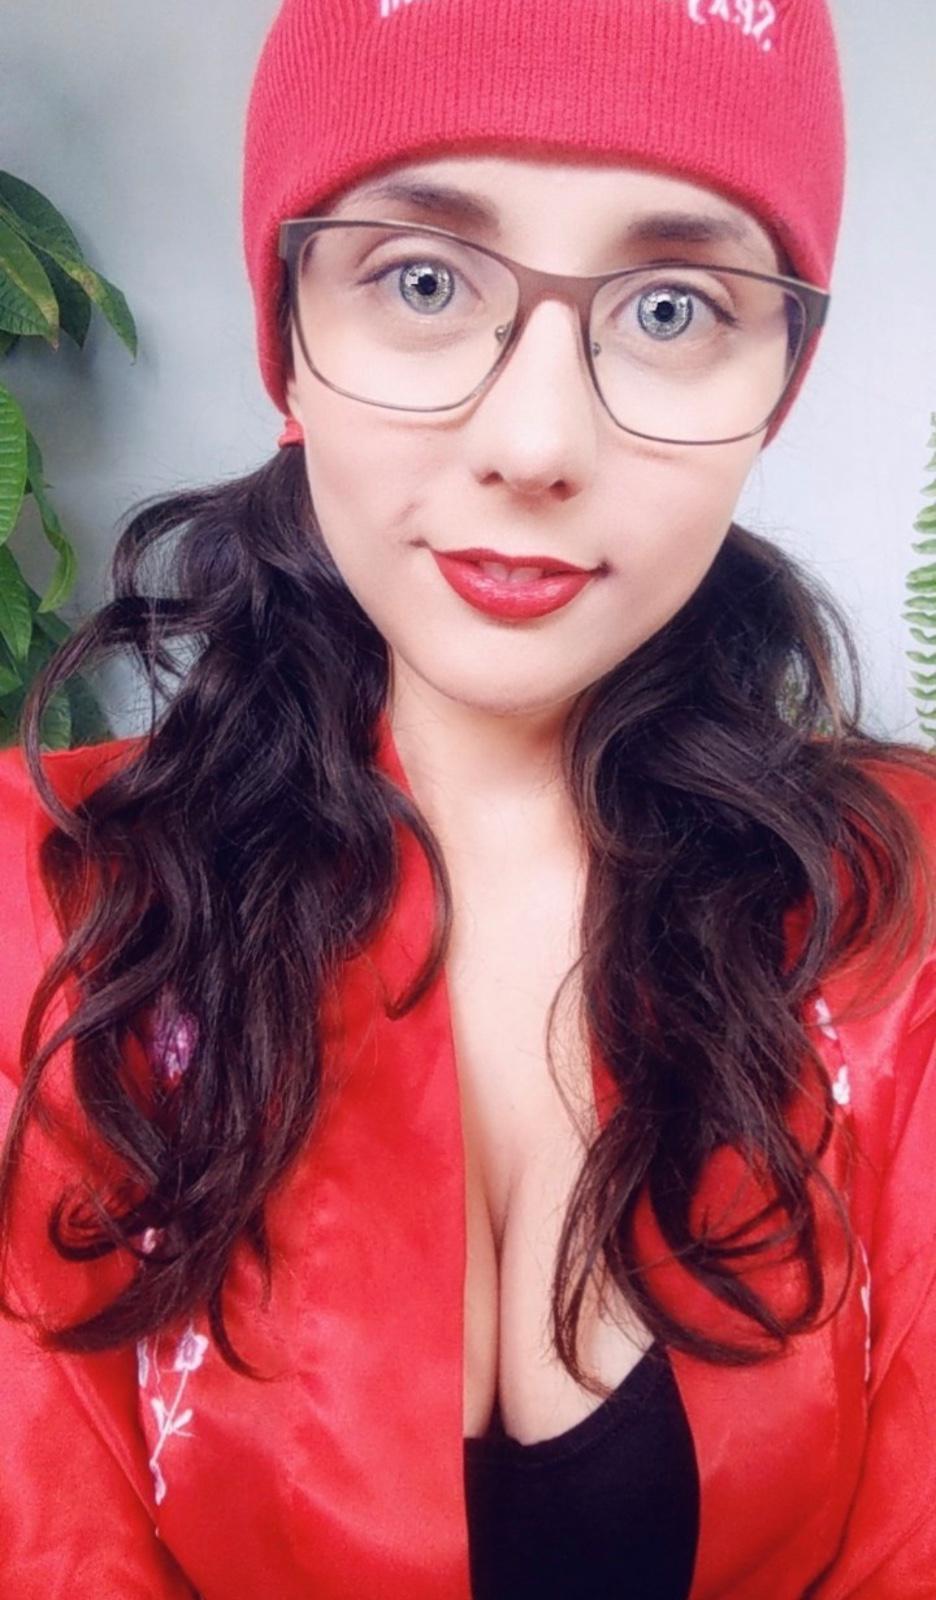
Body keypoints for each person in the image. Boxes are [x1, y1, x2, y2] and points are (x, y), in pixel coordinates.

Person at [2, 0, 936, 1595]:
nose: (535, 441)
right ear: (290, 331)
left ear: (780, 376)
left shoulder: (897, 918)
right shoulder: (49, 916)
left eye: (671, 306)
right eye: (423, 279)